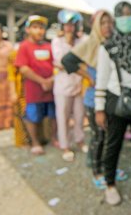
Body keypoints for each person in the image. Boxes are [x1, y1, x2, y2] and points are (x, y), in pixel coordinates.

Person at [62, 10, 128, 188]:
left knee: (110, 138)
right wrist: (87, 76)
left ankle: (109, 170)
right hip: (94, 101)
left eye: (110, 23)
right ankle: (96, 172)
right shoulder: (90, 43)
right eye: (103, 23)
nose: (107, 26)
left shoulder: (113, 42)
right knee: (99, 137)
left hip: (111, 99)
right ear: (96, 26)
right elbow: (67, 61)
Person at [94, 1, 131, 205]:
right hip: (115, 102)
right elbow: (101, 79)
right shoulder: (107, 46)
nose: (127, 19)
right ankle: (110, 185)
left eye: (130, 14)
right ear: (117, 19)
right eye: (122, 15)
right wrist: (99, 109)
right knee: (113, 145)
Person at [15, 15, 57, 155]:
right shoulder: (24, 46)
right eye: (35, 27)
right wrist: (42, 81)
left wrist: (51, 80)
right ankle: (35, 143)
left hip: (50, 90)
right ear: (27, 29)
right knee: (33, 117)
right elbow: (23, 68)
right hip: (33, 91)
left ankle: (53, 138)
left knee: (53, 116)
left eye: (41, 27)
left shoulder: (49, 46)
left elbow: (56, 65)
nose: (39, 31)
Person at [52, 9, 87, 162]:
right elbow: (61, 62)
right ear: (62, 25)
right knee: (63, 117)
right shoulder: (56, 41)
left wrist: (69, 64)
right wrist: (71, 63)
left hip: (78, 85)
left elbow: (84, 58)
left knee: (79, 116)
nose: (69, 27)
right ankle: (65, 146)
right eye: (66, 24)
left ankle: (79, 140)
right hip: (62, 86)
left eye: (72, 24)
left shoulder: (81, 40)